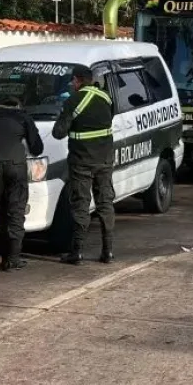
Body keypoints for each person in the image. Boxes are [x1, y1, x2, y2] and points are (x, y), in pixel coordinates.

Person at [51, 66, 115, 264]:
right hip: (104, 159)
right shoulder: (105, 97)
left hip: (81, 162)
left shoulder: (73, 101)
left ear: (78, 81)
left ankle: (76, 252)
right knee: (105, 204)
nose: (71, 84)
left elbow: (58, 132)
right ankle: (108, 252)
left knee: (81, 205)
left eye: (73, 81)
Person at [0, 96, 44, 271]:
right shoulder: (23, 117)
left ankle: (2, 257)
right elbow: (37, 148)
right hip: (16, 165)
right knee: (15, 210)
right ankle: (13, 258)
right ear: (17, 105)